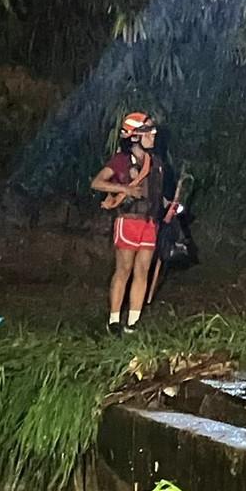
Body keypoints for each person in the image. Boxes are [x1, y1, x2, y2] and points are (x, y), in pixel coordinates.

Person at [90, 112, 171, 335]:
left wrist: (169, 205)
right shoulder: (121, 161)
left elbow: (156, 193)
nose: (153, 136)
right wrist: (124, 189)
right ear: (135, 136)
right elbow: (97, 183)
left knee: (142, 270)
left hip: (149, 223)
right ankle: (114, 320)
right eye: (148, 132)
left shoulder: (157, 163)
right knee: (124, 269)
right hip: (128, 221)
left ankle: (133, 322)